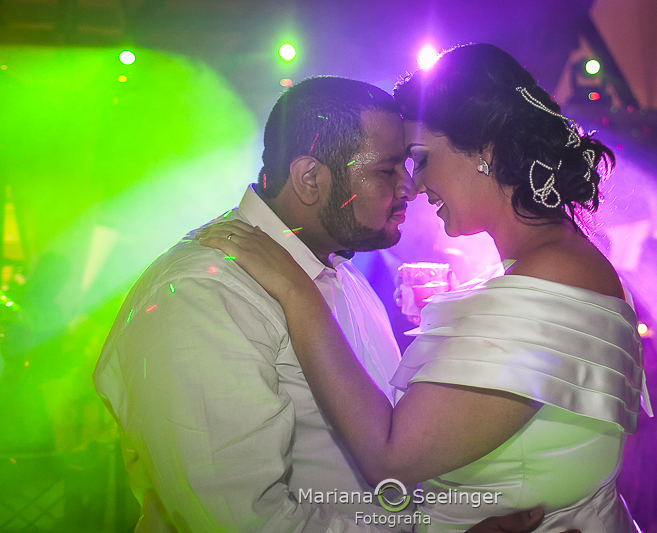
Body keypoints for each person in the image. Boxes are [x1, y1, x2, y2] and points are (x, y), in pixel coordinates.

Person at [198, 44, 650, 533]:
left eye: (421, 159)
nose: (412, 187)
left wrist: (295, 289)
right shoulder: (546, 267)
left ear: (485, 151)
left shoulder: (555, 274)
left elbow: (390, 458)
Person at [94, 75, 561, 533]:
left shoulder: (339, 274)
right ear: (309, 179)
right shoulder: (202, 295)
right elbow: (245, 521)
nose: (410, 187)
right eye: (387, 171)